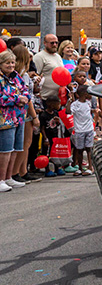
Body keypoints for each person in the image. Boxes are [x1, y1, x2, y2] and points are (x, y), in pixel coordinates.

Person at [0, 49, 31, 192]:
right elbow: (2, 97)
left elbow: (25, 90)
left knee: (15, 149)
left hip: (19, 117)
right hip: (5, 119)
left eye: (13, 62)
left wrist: (24, 98)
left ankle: (8, 177)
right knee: (5, 150)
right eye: (7, 63)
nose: (11, 65)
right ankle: (1, 179)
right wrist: (18, 99)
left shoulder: (16, 76)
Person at [11, 44, 40, 183]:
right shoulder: (22, 75)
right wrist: (34, 116)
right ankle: (15, 171)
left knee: (23, 143)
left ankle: (23, 171)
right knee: (25, 143)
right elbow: (27, 97)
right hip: (26, 111)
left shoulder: (20, 74)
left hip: (23, 110)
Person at [66, 84, 96, 176]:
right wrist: (70, 100)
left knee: (88, 149)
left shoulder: (88, 102)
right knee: (79, 149)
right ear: (84, 94)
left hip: (89, 129)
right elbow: (68, 111)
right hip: (79, 130)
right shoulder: (75, 104)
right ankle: (79, 168)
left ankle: (90, 167)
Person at [33, 33, 64, 103]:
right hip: (45, 98)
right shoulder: (39, 57)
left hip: (58, 97)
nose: (54, 45)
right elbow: (34, 75)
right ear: (45, 43)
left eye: (56, 43)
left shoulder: (58, 56)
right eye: (52, 43)